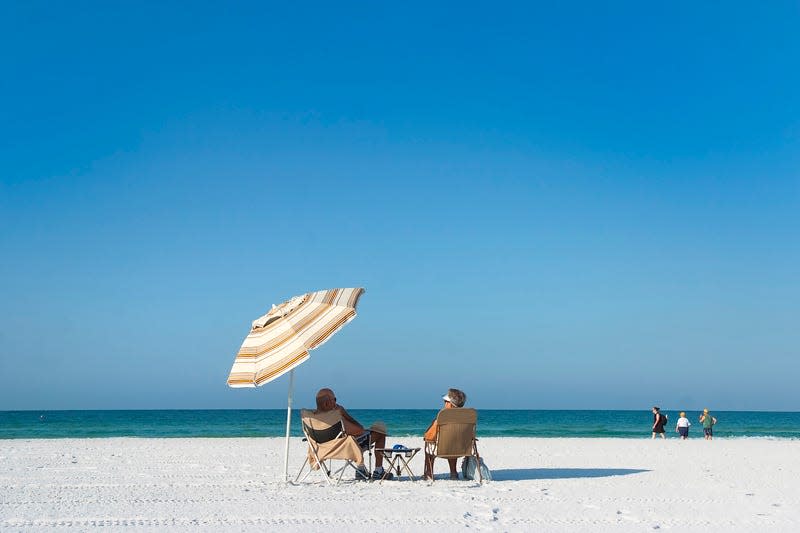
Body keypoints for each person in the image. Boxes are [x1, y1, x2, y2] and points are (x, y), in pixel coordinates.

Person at [314, 388, 391, 480]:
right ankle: (378, 471)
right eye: (334, 399)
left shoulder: (313, 418)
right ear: (327, 403)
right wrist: (342, 413)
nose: (335, 402)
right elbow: (359, 430)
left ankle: (361, 469)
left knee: (354, 438)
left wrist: (343, 413)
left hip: (322, 449)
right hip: (343, 448)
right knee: (380, 434)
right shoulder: (335, 416)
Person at [423, 388, 467, 480]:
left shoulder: (442, 416)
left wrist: (426, 436)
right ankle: (453, 473)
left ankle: (429, 473)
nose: (444, 403)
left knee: (429, 445)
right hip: (461, 449)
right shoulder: (467, 416)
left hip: (442, 449)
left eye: (445, 401)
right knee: (453, 443)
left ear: (449, 403)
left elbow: (429, 436)